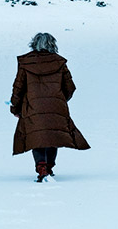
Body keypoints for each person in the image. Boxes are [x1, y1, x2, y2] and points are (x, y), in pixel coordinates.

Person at [10, 32, 90, 181]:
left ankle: (42, 168)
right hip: (56, 106)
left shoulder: (26, 62)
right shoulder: (59, 62)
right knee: (53, 135)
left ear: (34, 44)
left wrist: (15, 108)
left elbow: (18, 88)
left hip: (33, 107)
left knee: (37, 136)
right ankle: (49, 167)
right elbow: (70, 87)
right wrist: (59, 99)